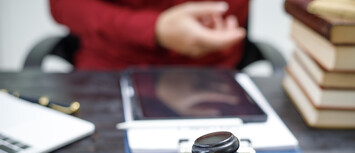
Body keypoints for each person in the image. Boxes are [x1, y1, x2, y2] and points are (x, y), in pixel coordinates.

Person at [49, 0, 249, 70]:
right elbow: (64, 4)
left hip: (209, 74)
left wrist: (219, 21)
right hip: (111, 73)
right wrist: (153, 28)